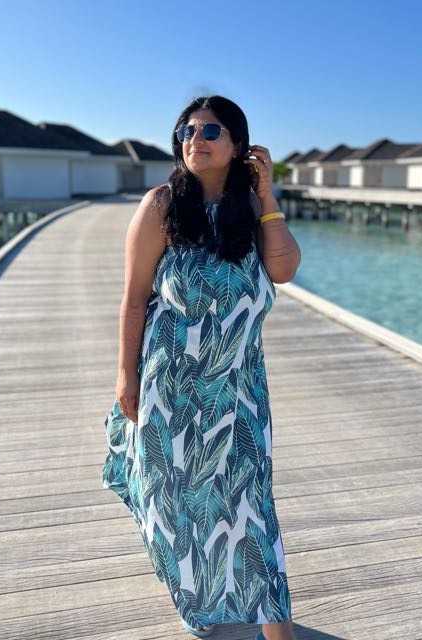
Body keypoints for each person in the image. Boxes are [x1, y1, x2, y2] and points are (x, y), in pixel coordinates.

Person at [102, 95, 301, 640]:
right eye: (187, 131)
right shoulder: (162, 205)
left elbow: (284, 269)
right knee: (179, 508)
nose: (196, 139)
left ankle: (277, 630)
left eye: (211, 131)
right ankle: (205, 600)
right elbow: (134, 300)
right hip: (170, 387)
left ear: (238, 145)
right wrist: (126, 376)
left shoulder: (251, 211)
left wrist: (267, 196)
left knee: (253, 508)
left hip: (238, 391)